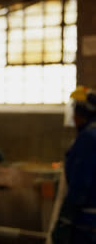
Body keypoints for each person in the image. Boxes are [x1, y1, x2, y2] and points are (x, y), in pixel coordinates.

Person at [52, 86, 96, 244]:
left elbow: (80, 184)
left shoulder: (87, 139)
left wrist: (65, 220)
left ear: (83, 113)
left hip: (86, 224)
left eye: (76, 111)